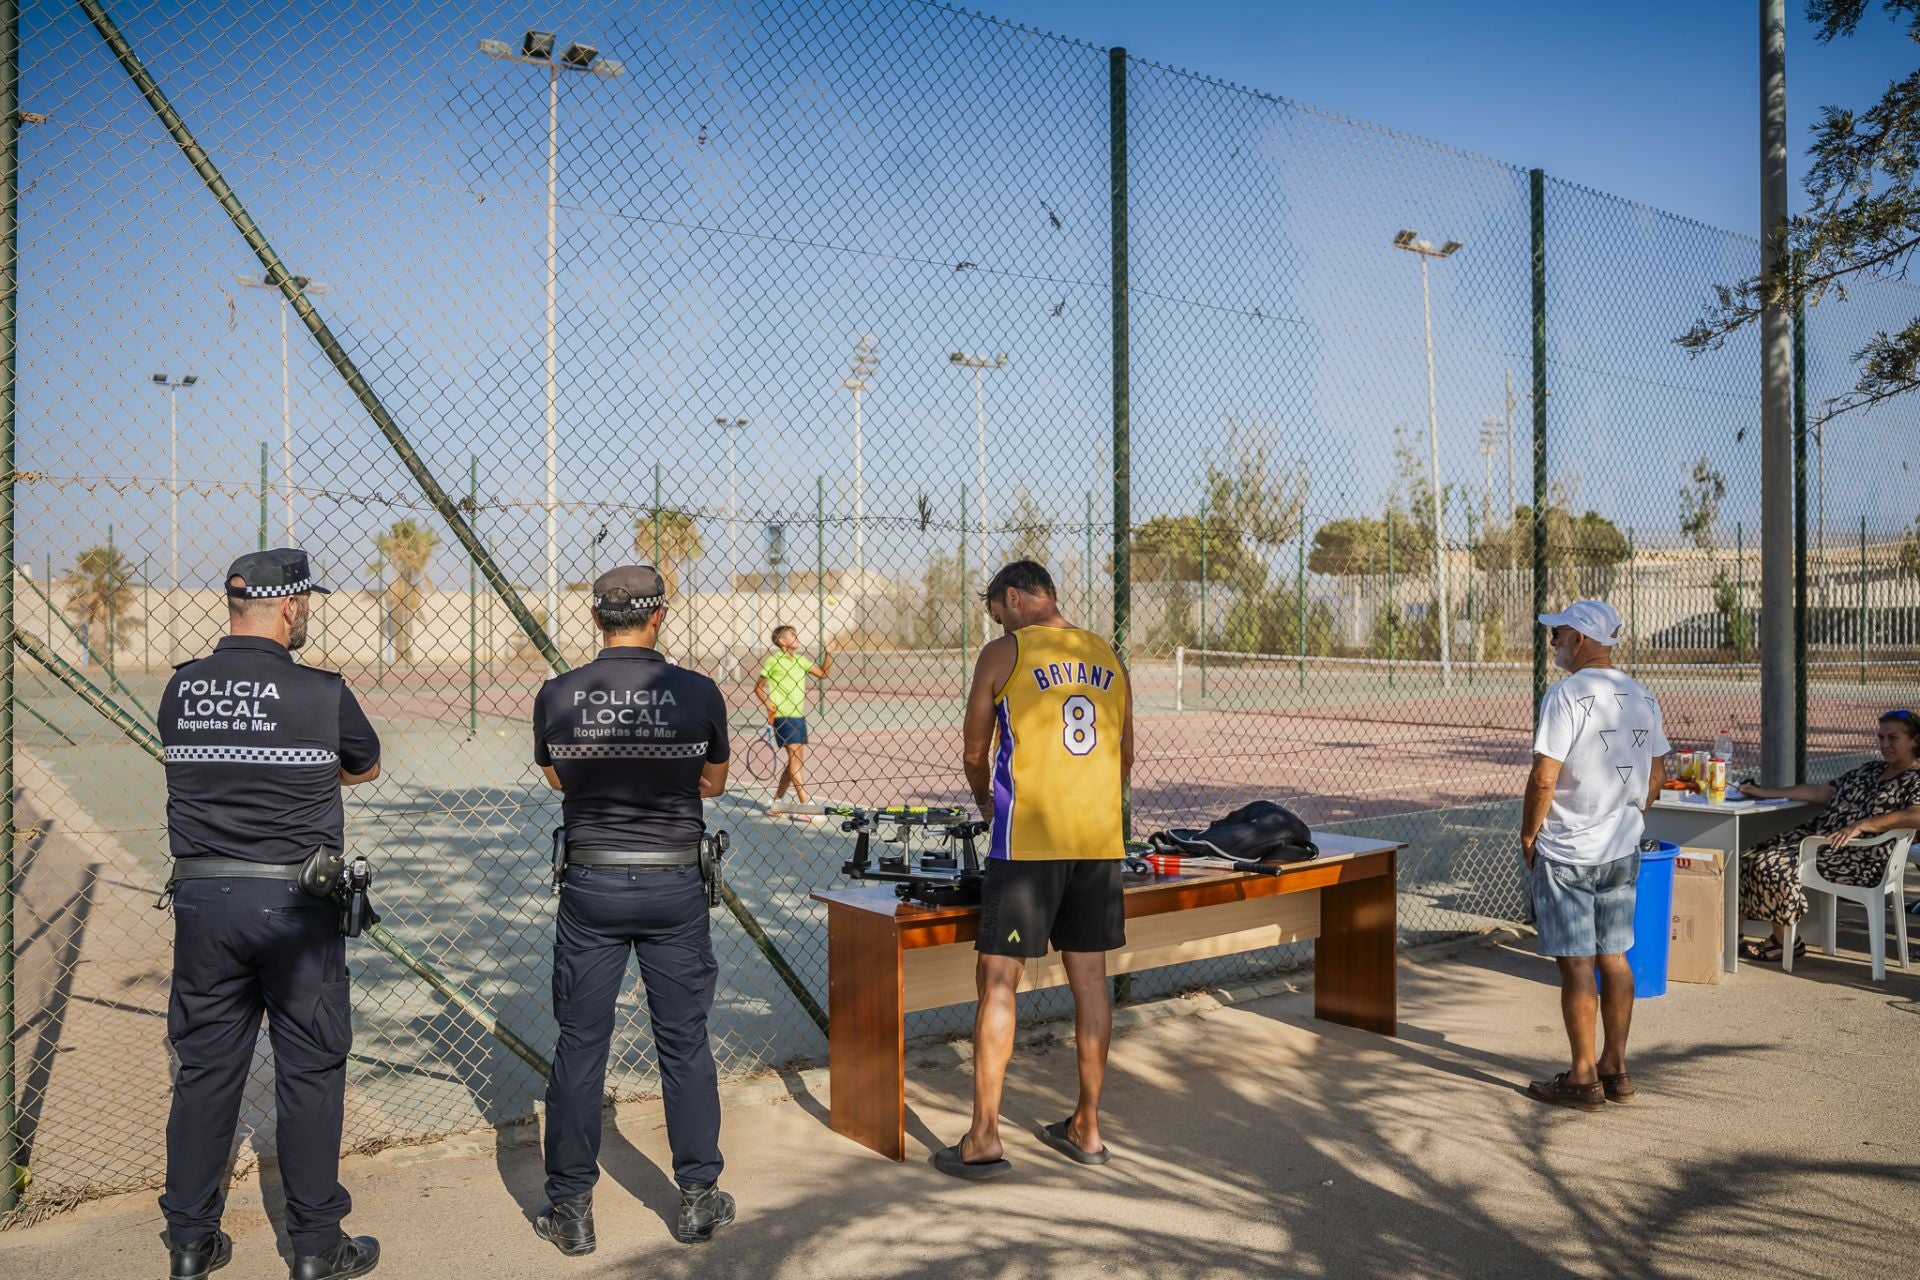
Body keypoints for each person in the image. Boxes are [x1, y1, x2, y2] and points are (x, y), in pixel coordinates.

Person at [156, 548, 383, 1280]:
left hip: (203, 902)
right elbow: (365, 764)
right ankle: (316, 1246)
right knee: (311, 1071)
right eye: (307, 601)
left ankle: (191, 1242)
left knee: (204, 1071)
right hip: (296, 905)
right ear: (289, 607)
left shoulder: (182, 688)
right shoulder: (320, 691)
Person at [531, 565, 736, 1250]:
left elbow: (559, 776)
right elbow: (713, 780)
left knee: (581, 1043)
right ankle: (699, 1197)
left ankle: (571, 1210)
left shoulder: (557, 694)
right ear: (659, 618)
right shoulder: (697, 691)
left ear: (597, 619)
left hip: (591, 881)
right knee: (683, 1040)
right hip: (674, 883)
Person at [937, 560, 1133, 1179]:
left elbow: (974, 751)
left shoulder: (1004, 654)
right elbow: (1125, 758)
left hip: (1026, 843)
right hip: (1098, 842)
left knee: (998, 983)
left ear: (1015, 599)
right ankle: (1088, 1127)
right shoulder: (1107, 654)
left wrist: (984, 802)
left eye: (997, 612)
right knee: (1092, 983)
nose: (996, 623)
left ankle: (985, 1138)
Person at [1520, 600, 1668, 1113]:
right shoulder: (1643, 696)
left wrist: (1528, 833)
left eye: (1557, 634)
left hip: (1569, 849)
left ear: (1580, 639)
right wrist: (1624, 813)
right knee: (1615, 956)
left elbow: (1544, 776)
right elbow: (1656, 777)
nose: (1553, 643)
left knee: (1577, 963)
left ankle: (1582, 1079)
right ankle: (1616, 1067)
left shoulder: (1564, 695)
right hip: (1622, 847)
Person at [1735, 710, 1920, 962]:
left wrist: (1864, 824)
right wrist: (1764, 792)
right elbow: (1822, 791)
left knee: (1769, 865)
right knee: (1745, 855)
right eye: (1881, 738)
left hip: (1859, 857)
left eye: (1893, 738)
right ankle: (1734, 933)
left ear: (1915, 741)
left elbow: (1916, 815)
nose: (1885, 745)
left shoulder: (1915, 778)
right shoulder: (1870, 769)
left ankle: (1784, 940)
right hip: (1820, 842)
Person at [754, 625, 831, 810]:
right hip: (782, 716)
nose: (797, 637)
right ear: (782, 641)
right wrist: (768, 705)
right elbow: (758, 687)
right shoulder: (773, 661)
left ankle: (777, 801)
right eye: (792, 635)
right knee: (795, 759)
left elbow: (823, 673)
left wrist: (828, 653)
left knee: (794, 761)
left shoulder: (800, 660)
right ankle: (805, 804)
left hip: (798, 716)